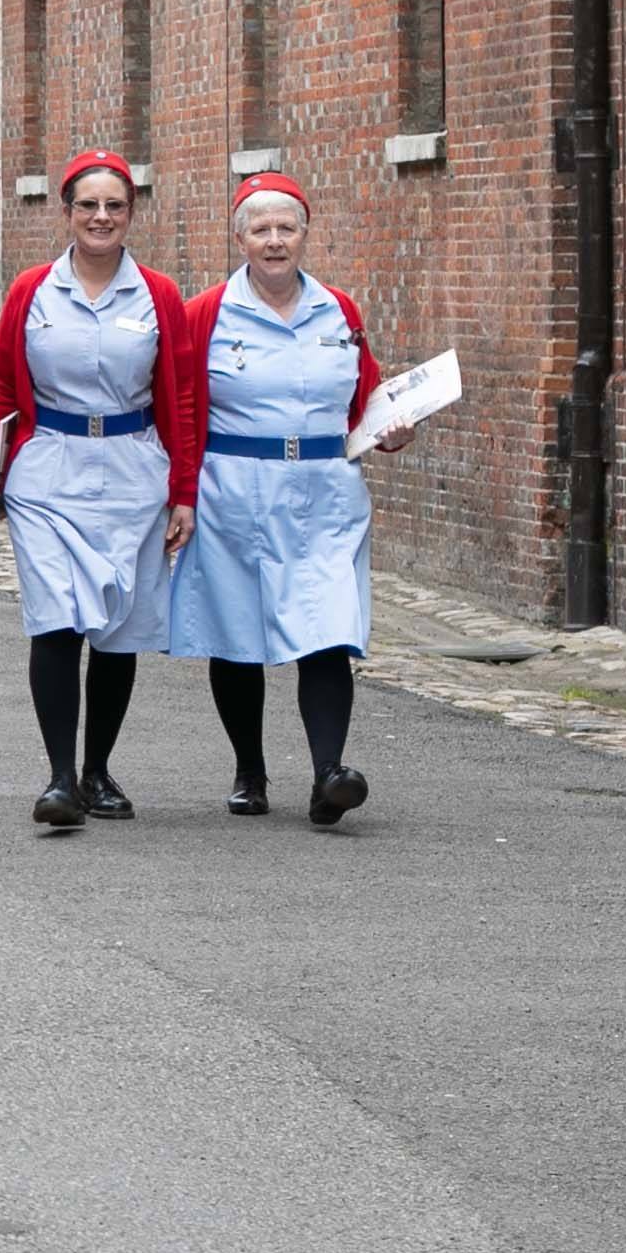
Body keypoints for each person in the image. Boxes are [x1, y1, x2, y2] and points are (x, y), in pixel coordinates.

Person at [169, 172, 415, 824]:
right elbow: (184, 410)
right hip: (234, 489)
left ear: (304, 234)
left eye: (286, 228)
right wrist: (181, 495)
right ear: (239, 237)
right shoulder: (205, 315)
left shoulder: (339, 310)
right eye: (260, 229)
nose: (274, 241)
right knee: (236, 632)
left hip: (324, 491)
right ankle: (249, 770)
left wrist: (391, 430)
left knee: (328, 627)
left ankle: (327, 774)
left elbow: (364, 398)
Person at [0, 151, 201, 831]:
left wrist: (182, 492)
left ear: (130, 214)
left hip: (133, 467)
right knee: (56, 616)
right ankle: (59, 778)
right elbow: (0, 384)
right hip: (48, 469)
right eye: (87, 206)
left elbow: (182, 398)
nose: (100, 218)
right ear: (66, 213)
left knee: (117, 627)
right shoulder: (30, 292)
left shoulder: (157, 294)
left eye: (114, 206)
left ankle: (98, 769)